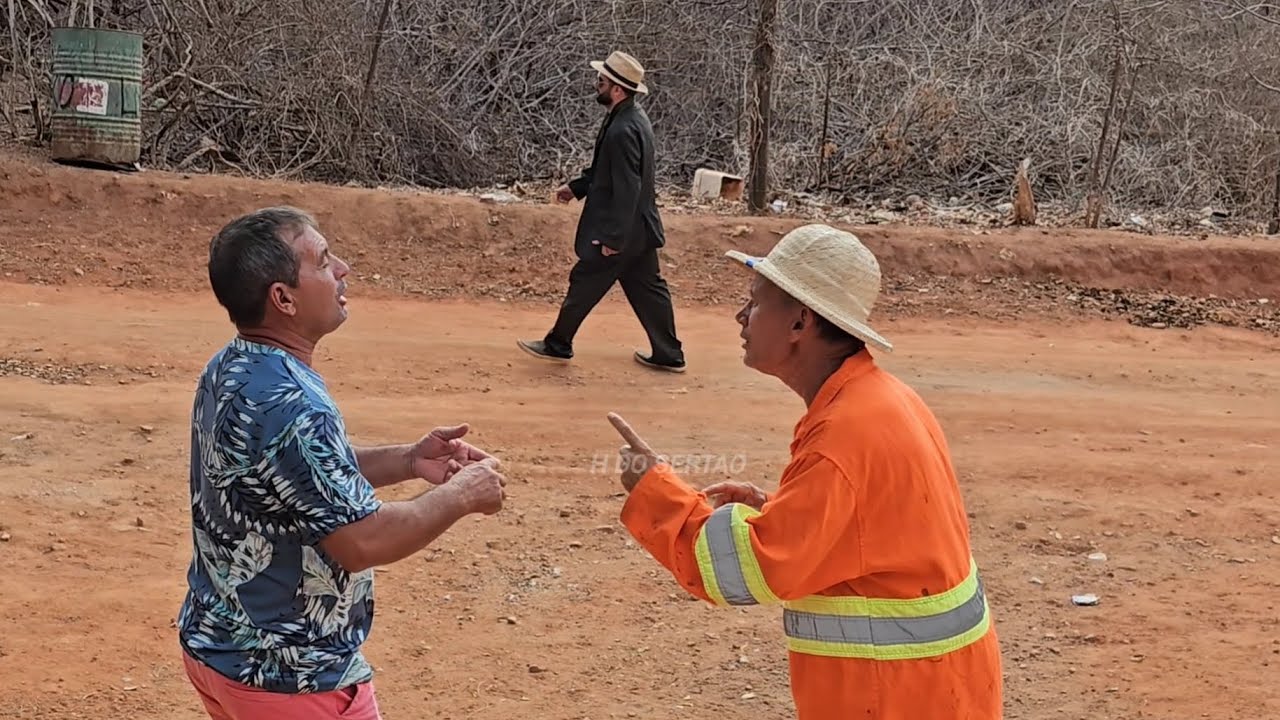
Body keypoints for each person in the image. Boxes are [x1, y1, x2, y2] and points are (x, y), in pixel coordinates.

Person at [604, 224, 1003, 719]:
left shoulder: (843, 435)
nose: (740, 316)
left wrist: (653, 490)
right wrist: (778, 510)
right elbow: (874, 531)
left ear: (800, 322)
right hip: (936, 687)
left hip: (897, 694)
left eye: (755, 302)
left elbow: (746, 571)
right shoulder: (879, 401)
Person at [176, 207, 508, 720]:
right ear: (283, 298)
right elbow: (362, 542)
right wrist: (462, 495)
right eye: (323, 260)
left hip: (220, 650)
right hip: (291, 680)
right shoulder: (295, 404)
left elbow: (296, 474)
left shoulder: (233, 365)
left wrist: (408, 460)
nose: (342, 269)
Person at [518, 50, 686, 372]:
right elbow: (606, 171)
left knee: (585, 281)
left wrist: (614, 238)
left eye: (601, 81)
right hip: (639, 228)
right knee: (649, 289)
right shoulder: (630, 117)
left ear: (617, 90)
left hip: (623, 229)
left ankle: (558, 344)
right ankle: (668, 354)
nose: (597, 85)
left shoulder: (623, 130)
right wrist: (577, 188)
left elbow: (627, 188)